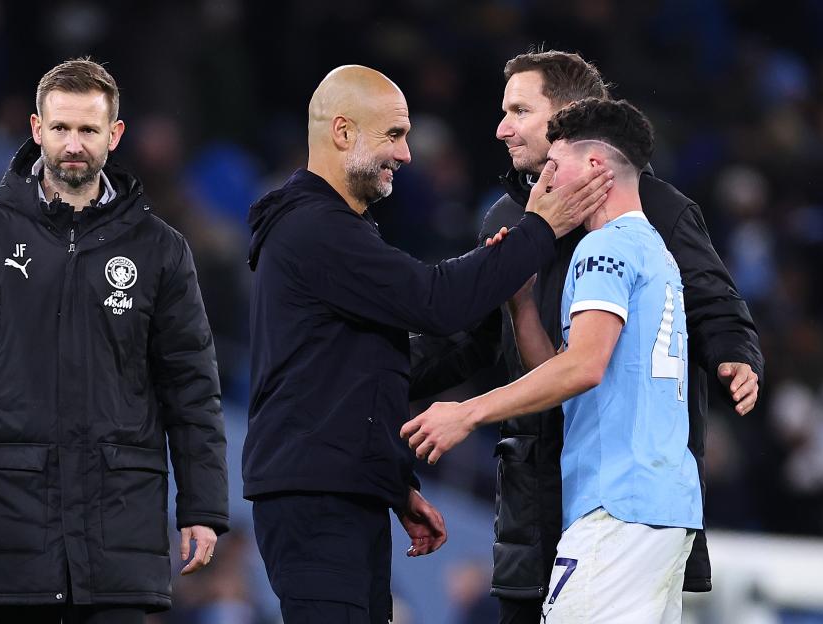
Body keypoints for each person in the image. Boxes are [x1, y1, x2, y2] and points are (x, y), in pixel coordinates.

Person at [243, 64, 611, 624]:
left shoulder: (336, 229)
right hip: (316, 500)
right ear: (342, 133)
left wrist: (392, 482)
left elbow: (374, 371)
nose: (407, 154)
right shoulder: (313, 228)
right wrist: (538, 228)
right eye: (394, 135)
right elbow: (436, 302)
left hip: (340, 492)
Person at [408, 50, 764, 623]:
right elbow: (490, 341)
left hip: (620, 497)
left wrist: (734, 352)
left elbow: (589, 363)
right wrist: (517, 306)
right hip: (576, 494)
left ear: (574, 128)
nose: (502, 129)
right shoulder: (546, 222)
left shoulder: (631, 231)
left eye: (520, 110)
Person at [0, 58, 229, 623]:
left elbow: (191, 388)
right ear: (37, 130)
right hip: (12, 532)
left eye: (88, 129)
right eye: (60, 129)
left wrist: (201, 506)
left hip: (118, 532)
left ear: (115, 134)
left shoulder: (161, 250)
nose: (73, 144)